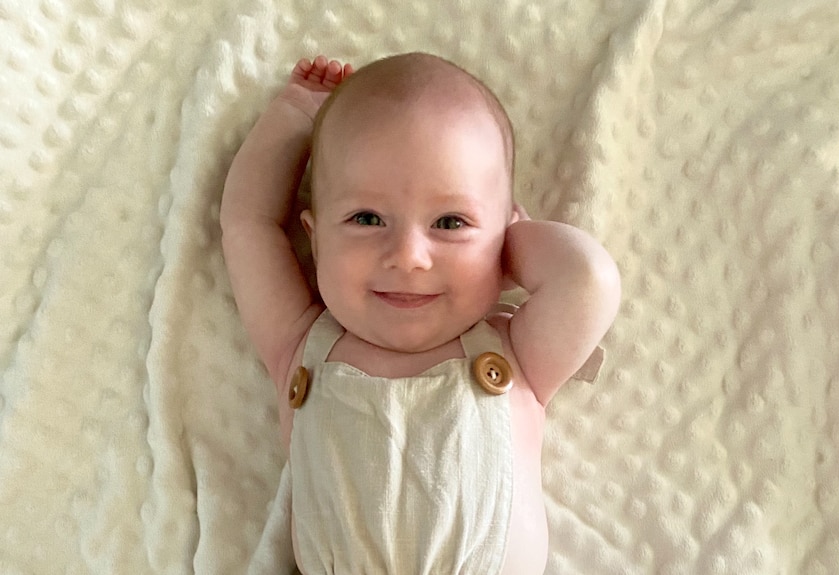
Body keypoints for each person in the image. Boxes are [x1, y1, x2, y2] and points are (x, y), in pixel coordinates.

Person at [221, 52, 621, 575]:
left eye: (450, 222)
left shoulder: (519, 356)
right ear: (315, 242)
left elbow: (588, 279)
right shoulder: (296, 342)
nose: (409, 255)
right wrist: (296, 115)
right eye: (367, 218)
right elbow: (249, 223)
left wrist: (504, 250)